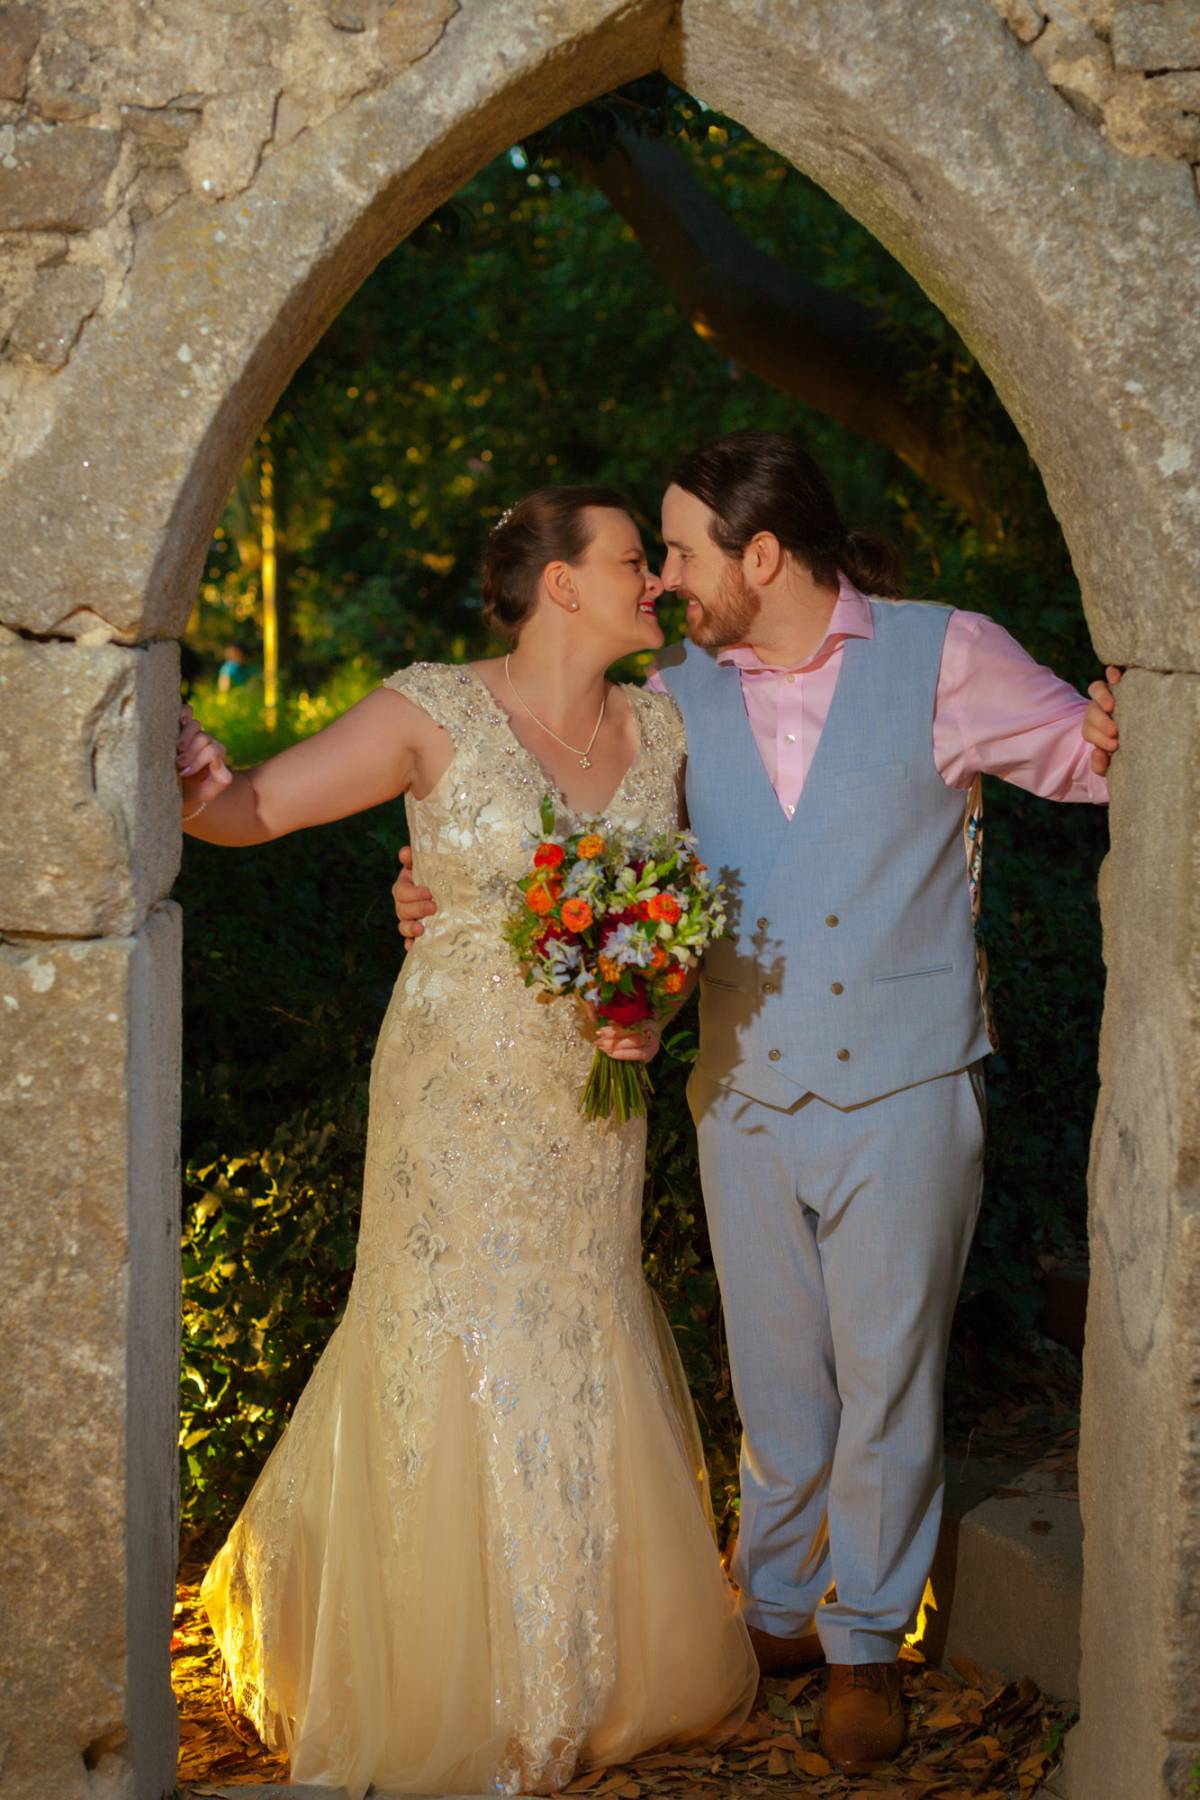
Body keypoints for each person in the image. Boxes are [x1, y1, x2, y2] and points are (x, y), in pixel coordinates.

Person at [393, 433, 1122, 1777]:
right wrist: (435, 890)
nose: (664, 581)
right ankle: (774, 1610)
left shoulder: (943, 652)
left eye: (679, 551)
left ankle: (861, 1647)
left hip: (908, 1084)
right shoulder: (672, 703)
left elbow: (1091, 761)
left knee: (888, 1378)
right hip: (738, 1089)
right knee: (776, 1379)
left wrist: (1126, 724)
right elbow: (576, 846)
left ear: (763, 554)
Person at [177, 487, 758, 1799]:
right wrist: (188, 771)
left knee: (574, 1323)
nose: (652, 583)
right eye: (630, 562)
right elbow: (256, 812)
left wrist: (647, 1005)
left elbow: (681, 906)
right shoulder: (431, 708)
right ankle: (435, 1667)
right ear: (559, 583)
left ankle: (574, 1663)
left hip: (590, 1105)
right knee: (447, 1325)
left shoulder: (662, 726)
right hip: (452, 1088)